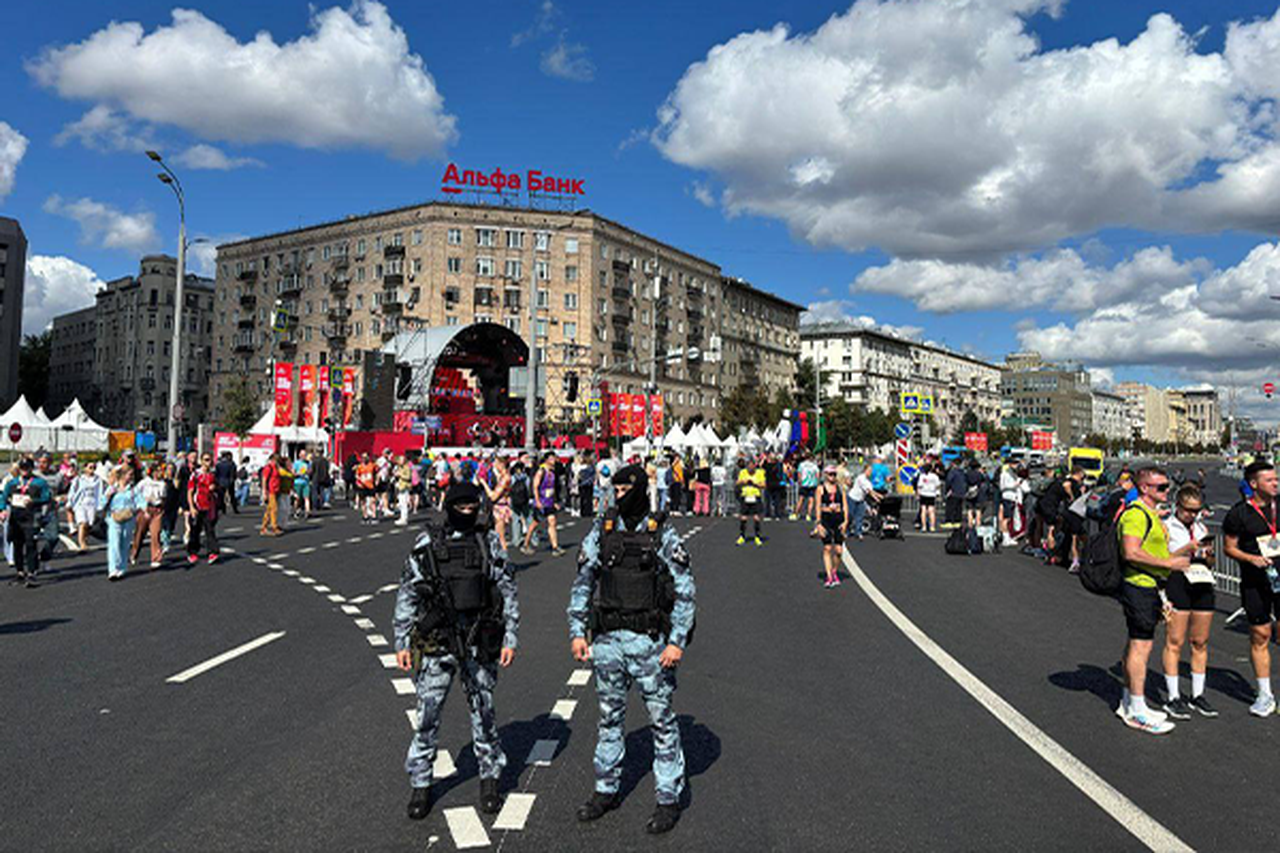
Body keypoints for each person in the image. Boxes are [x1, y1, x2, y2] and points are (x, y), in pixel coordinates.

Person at [568, 463, 696, 835]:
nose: (619, 496)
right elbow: (583, 581)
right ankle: (605, 789)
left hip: (650, 644)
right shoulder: (603, 529)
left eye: (626, 490)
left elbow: (685, 589)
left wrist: (677, 641)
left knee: (661, 721)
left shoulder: (662, 533)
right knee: (609, 719)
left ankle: (668, 797)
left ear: (639, 490)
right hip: (608, 641)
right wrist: (577, 631)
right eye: (617, 490)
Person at [393, 481, 519, 821]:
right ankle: (421, 782)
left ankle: (490, 778)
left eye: (471, 507)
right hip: (437, 643)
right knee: (427, 716)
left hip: (479, 641)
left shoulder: (487, 541)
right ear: (449, 507)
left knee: (484, 713)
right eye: (460, 508)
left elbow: (507, 590)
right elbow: (408, 593)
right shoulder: (428, 543)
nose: (467, 512)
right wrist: (401, 641)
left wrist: (510, 637)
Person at [1116, 467, 1191, 734]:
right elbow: (1131, 552)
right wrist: (1168, 564)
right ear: (1145, 488)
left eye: (1167, 486)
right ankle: (1137, 710)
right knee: (1141, 647)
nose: (1166, 491)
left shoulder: (1149, 513)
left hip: (1149, 585)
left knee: (1136, 644)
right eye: (1161, 487)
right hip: (1139, 585)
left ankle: (1129, 701)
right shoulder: (1136, 514)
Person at [1222, 460, 1280, 717]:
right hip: (1255, 582)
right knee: (1260, 635)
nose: (1275, 483)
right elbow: (1229, 548)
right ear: (1254, 484)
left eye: (1276, 479)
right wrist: (1251, 559)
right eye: (1270, 480)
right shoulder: (1239, 514)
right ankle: (1265, 694)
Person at [1161, 484, 1218, 720]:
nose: (1192, 515)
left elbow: (1211, 562)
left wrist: (1209, 555)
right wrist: (1186, 548)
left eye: (1196, 510)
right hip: (1178, 581)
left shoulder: (1201, 527)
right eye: (1188, 510)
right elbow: (1161, 558)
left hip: (1201, 580)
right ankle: (1173, 697)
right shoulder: (1166, 527)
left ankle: (1197, 694)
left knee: (1200, 641)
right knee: (1175, 641)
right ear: (1178, 506)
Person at [0, 457, 53, 587]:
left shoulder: (40, 482)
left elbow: (47, 497)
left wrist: (34, 501)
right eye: (22, 468)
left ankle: (31, 573)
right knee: (17, 545)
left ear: (31, 468)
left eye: (27, 468)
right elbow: (4, 497)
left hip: (31, 516)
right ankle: (20, 572)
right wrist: (2, 510)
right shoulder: (12, 482)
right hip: (16, 517)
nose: (24, 470)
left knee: (31, 544)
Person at [102, 464, 145, 582]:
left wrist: (143, 509)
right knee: (114, 543)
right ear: (123, 475)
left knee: (125, 542)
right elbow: (101, 503)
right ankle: (113, 569)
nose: (131, 477)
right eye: (129, 474)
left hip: (128, 517)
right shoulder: (112, 488)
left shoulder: (133, 489)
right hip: (114, 517)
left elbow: (140, 501)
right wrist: (107, 496)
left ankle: (122, 567)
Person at [523, 452, 564, 556]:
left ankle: (555, 547)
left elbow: (554, 488)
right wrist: (537, 501)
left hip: (549, 502)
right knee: (534, 524)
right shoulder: (541, 471)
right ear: (546, 460)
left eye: (554, 459)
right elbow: (535, 486)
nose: (553, 461)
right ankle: (525, 544)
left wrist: (555, 501)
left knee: (552, 522)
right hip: (541, 501)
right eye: (551, 459)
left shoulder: (553, 472)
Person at [814, 466, 847, 588]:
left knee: (838, 551)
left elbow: (845, 505)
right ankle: (829, 577)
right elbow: (818, 506)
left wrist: (846, 521)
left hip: (838, 519)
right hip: (826, 519)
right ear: (825, 475)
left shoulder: (840, 488)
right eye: (830, 474)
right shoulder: (820, 489)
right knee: (827, 548)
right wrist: (818, 523)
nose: (832, 476)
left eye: (834, 474)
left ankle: (834, 571)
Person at [131, 462, 167, 569]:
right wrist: (141, 503)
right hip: (145, 509)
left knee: (156, 534)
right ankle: (134, 553)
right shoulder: (145, 482)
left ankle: (156, 558)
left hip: (157, 510)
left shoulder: (163, 484)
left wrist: (161, 506)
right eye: (158, 471)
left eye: (161, 471)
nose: (160, 473)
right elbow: (134, 493)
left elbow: (164, 498)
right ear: (153, 472)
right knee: (139, 533)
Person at [187, 453, 220, 565]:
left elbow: (217, 488)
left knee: (210, 530)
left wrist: (214, 488)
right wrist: (191, 507)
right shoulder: (196, 475)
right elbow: (190, 492)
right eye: (206, 460)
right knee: (195, 530)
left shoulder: (212, 475)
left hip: (209, 506)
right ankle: (192, 552)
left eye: (210, 460)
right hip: (198, 505)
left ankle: (213, 552)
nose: (208, 463)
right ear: (201, 461)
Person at [67, 462, 103, 551]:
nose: (92, 469)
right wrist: (70, 502)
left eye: (94, 467)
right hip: (80, 503)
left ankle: (84, 538)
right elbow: (72, 491)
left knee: (89, 525)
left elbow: (100, 492)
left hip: (92, 504)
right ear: (85, 468)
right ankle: (82, 543)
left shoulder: (98, 480)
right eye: (90, 467)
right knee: (82, 523)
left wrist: (100, 504)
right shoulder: (79, 479)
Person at [484, 455, 513, 550]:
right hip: (503, 506)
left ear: (501, 464)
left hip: (500, 508)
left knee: (500, 537)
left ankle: (504, 557)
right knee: (499, 536)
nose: (494, 465)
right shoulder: (505, 476)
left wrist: (483, 483)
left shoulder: (505, 478)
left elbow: (493, 497)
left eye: (496, 463)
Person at [736, 458, 766, 546]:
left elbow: (764, 484)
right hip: (745, 496)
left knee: (756, 517)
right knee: (743, 517)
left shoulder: (759, 472)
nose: (750, 468)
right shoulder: (743, 472)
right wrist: (744, 481)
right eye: (749, 466)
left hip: (755, 496)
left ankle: (757, 536)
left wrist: (755, 484)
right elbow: (738, 483)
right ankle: (742, 536)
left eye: (752, 466)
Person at [848, 464, 878, 540]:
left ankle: (858, 533)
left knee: (860, 516)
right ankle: (847, 531)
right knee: (850, 516)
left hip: (861, 500)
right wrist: (877, 498)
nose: (870, 472)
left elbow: (872, 491)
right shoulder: (861, 478)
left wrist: (880, 496)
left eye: (871, 471)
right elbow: (869, 491)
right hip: (852, 498)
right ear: (865, 470)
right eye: (869, 470)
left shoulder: (868, 481)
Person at [259, 453, 283, 537]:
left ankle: (264, 527)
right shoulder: (268, 468)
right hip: (271, 491)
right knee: (274, 509)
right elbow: (264, 479)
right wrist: (264, 492)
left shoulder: (276, 467)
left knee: (269, 509)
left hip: (276, 490)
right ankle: (274, 527)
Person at [793, 455, 821, 522]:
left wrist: (800, 481)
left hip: (804, 484)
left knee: (801, 499)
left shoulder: (802, 465)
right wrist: (817, 482)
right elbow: (818, 474)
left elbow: (799, 474)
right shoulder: (814, 465)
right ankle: (808, 515)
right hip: (812, 484)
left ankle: (796, 514)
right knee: (811, 500)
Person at [916, 463, 941, 533]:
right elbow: (938, 485)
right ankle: (932, 527)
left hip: (923, 493)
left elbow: (919, 486)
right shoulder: (935, 476)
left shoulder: (922, 476)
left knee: (923, 510)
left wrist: (918, 494)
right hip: (932, 494)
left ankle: (924, 527)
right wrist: (938, 494)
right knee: (931, 511)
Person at [356, 453, 378, 524]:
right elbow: (357, 475)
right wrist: (359, 481)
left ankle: (374, 516)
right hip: (362, 486)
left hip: (371, 485)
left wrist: (377, 480)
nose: (364, 459)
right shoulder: (359, 466)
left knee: (373, 501)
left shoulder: (372, 465)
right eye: (363, 457)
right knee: (363, 502)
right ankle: (365, 516)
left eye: (366, 457)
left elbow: (377, 473)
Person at [395, 455, 414, 526]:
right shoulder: (400, 467)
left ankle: (404, 519)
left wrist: (400, 475)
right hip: (400, 486)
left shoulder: (407, 467)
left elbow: (408, 477)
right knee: (401, 503)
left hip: (405, 486)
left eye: (401, 460)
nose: (399, 461)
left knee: (404, 503)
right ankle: (402, 517)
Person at [293, 450, 312, 520]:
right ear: (299, 455)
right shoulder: (296, 463)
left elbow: (310, 471)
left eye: (305, 455)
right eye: (302, 455)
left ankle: (307, 512)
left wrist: (308, 472)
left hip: (306, 482)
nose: (304, 456)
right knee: (297, 499)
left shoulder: (308, 463)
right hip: (298, 482)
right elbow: (293, 473)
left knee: (306, 498)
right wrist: (299, 474)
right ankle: (296, 511)